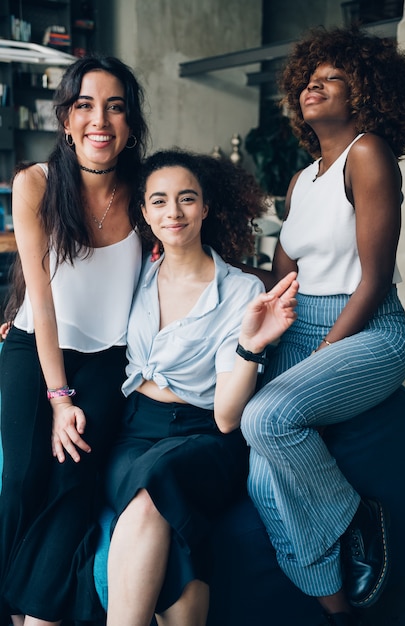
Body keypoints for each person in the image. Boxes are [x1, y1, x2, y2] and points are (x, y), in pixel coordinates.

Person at [239, 26, 405, 626]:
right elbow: (283, 282)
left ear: (365, 93)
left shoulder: (367, 154)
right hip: (303, 325)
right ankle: (340, 610)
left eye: (331, 77)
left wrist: (322, 353)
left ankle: (355, 519)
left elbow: (373, 280)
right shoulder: (301, 178)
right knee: (263, 475)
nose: (313, 86)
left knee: (268, 416)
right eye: (308, 79)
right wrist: (205, 264)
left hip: (367, 328)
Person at [102, 148, 299, 626]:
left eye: (187, 199)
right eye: (160, 201)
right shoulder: (133, 276)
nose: (174, 212)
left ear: (206, 207)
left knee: (157, 488)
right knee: (175, 533)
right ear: (144, 212)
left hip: (203, 435)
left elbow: (228, 418)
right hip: (134, 431)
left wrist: (250, 346)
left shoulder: (240, 292)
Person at [0, 55, 149, 626]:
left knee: (74, 479)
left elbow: (194, 245)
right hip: (38, 348)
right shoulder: (33, 183)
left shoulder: (144, 193)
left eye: (115, 107)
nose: (100, 120)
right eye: (85, 105)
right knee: (20, 479)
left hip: (109, 361)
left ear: (130, 124)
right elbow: (42, 295)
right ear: (65, 118)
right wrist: (59, 399)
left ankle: (36, 611)